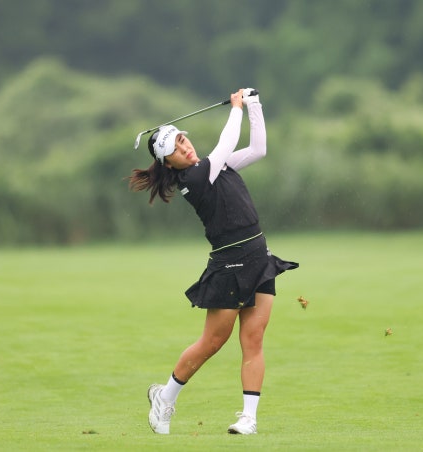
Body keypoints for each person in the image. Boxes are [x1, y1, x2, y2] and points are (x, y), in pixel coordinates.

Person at [128, 88, 298, 435]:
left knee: (253, 339)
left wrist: (254, 105)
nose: (185, 147)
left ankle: (248, 418)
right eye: (176, 149)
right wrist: (236, 108)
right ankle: (165, 396)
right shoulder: (194, 177)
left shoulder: (215, 166)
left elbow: (258, 149)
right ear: (168, 163)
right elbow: (224, 145)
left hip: (259, 257)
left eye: (183, 140)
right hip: (229, 266)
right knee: (212, 342)